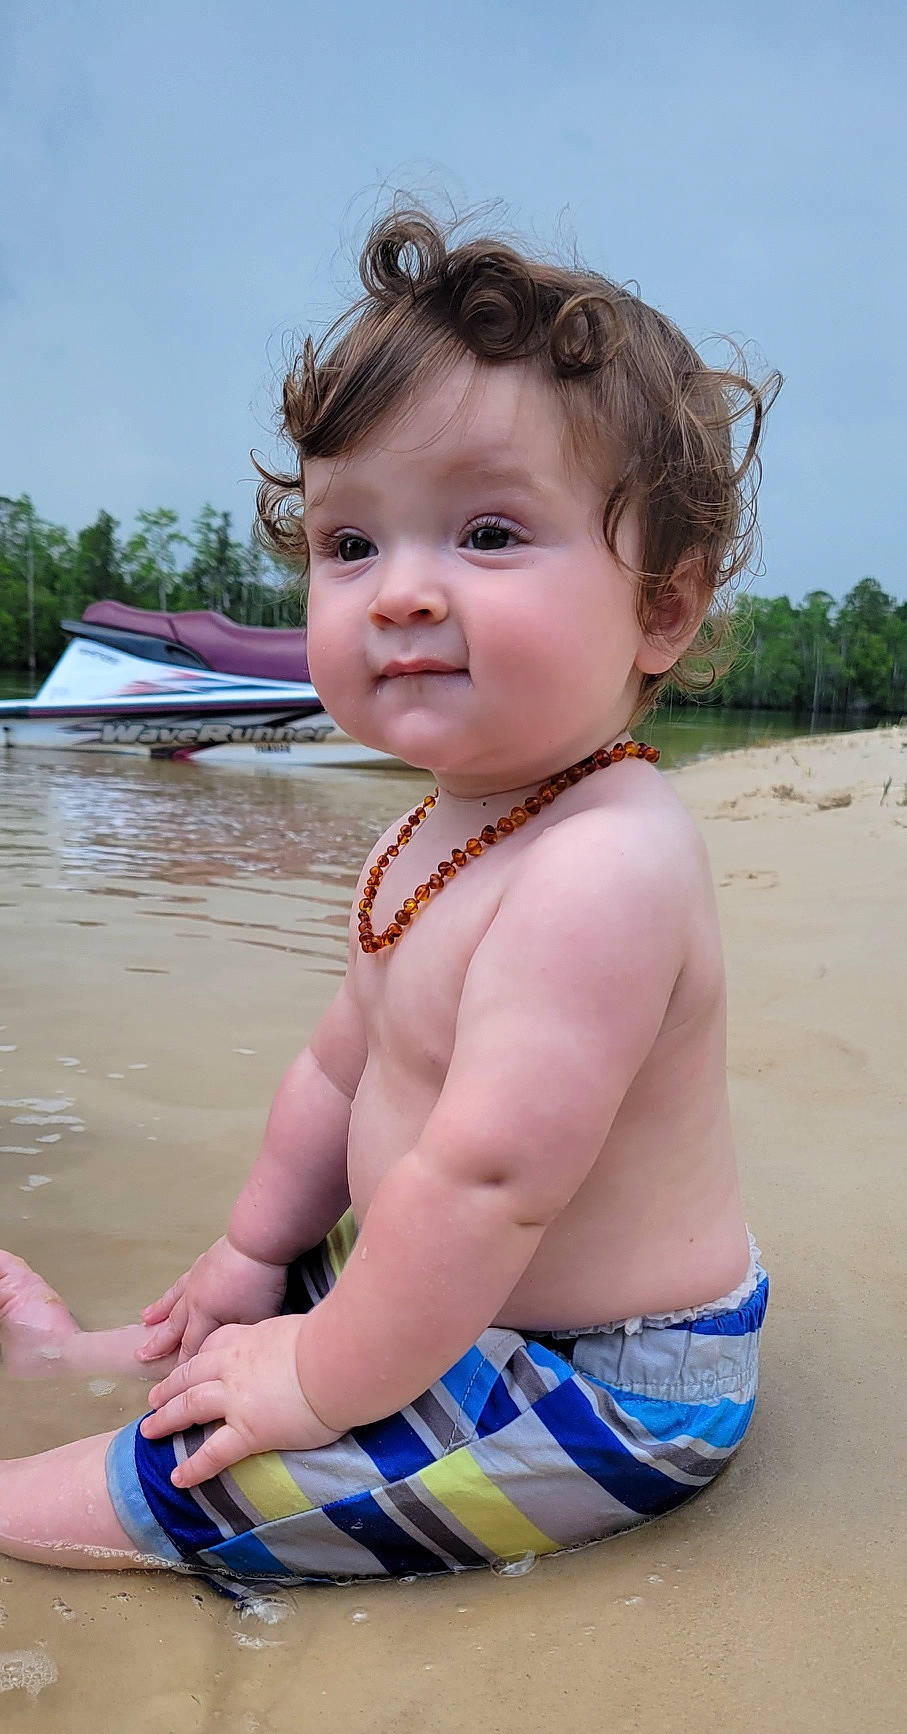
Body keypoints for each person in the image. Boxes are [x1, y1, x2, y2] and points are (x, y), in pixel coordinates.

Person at [0, 209, 779, 1583]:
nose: (399, 593)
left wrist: (312, 1381)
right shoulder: (429, 832)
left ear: (663, 604)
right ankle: (108, 1356)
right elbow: (338, 1071)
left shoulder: (606, 863)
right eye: (350, 544)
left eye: (484, 532)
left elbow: (485, 1186)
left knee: (206, 1477)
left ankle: (51, 1490)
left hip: (598, 1384)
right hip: (433, 1281)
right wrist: (252, 1257)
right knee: (284, 1289)